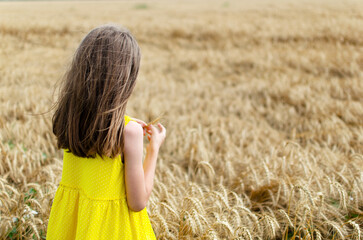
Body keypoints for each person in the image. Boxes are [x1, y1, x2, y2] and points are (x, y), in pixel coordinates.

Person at [46, 24, 166, 240]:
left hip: (72, 226)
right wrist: (154, 148)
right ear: (124, 79)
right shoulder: (129, 133)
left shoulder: (69, 117)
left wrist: (127, 125)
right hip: (111, 230)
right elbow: (138, 202)